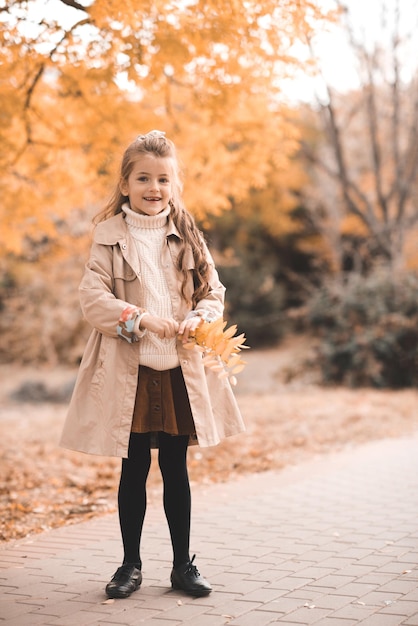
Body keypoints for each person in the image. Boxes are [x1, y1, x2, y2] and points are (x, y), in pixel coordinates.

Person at [60, 130, 245, 600]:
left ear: (174, 184)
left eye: (163, 179)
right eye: (143, 177)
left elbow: (212, 293)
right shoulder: (108, 239)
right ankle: (130, 565)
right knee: (135, 468)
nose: (153, 187)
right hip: (133, 372)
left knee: (177, 470)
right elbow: (92, 299)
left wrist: (200, 318)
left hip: (178, 372)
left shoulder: (188, 237)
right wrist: (140, 319)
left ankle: (183, 565)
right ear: (125, 184)